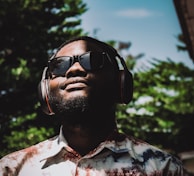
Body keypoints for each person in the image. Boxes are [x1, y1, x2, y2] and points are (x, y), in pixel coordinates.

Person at [0, 36, 186, 175]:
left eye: (92, 60)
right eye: (59, 65)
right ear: (46, 91)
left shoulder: (164, 169)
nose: (74, 69)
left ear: (120, 83)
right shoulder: (11, 169)